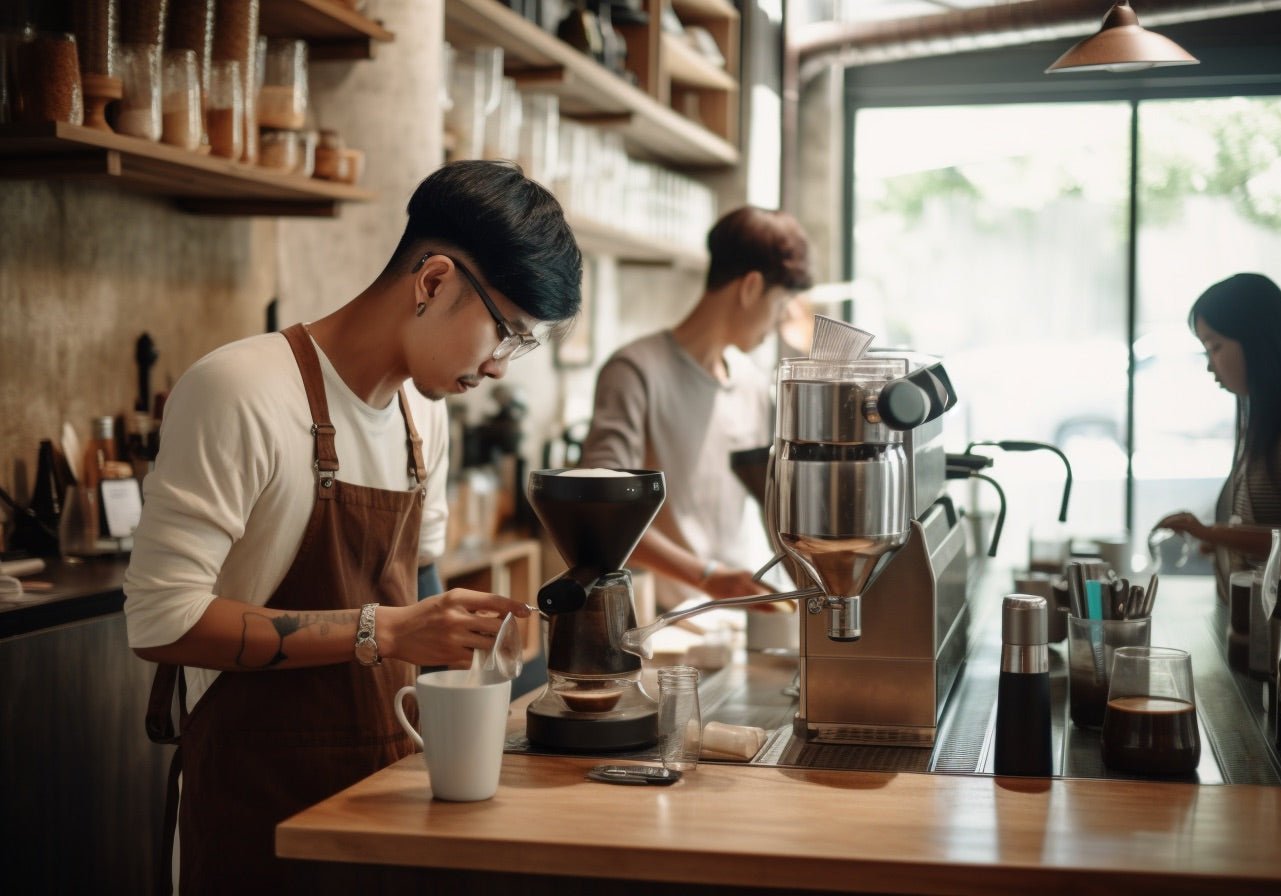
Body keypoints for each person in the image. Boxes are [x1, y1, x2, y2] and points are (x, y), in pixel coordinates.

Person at [122, 160, 581, 893]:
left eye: (521, 346)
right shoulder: (240, 391)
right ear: (432, 282)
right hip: (256, 808)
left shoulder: (421, 416)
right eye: (506, 333)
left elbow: (419, 582)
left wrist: (474, 681)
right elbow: (157, 621)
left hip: (391, 798)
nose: (499, 369)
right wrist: (385, 632)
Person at [579, 206, 814, 611]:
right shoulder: (635, 371)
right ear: (751, 287)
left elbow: (773, 507)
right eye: (780, 306)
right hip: (666, 621)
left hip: (740, 614)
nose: (777, 323)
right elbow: (603, 512)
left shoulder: (753, 383)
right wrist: (706, 577)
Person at [1155, 273, 1281, 595]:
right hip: (1252, 620)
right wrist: (1218, 543)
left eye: (1215, 347)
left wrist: (1214, 533)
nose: (1209, 366)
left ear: (1257, 341)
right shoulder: (1265, 421)